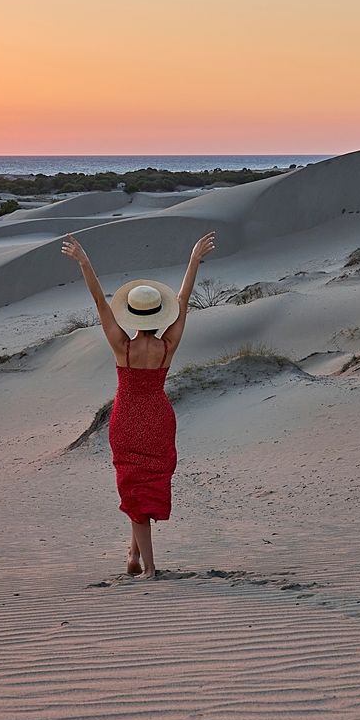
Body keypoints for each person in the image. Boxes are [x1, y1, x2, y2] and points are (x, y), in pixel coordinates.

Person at [59, 232, 217, 577]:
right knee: (144, 487)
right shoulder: (168, 345)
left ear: (130, 314)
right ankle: (133, 557)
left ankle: (149, 568)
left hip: (127, 419)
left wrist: (84, 262)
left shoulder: (121, 345)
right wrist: (193, 260)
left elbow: (100, 302)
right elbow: (184, 298)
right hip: (159, 418)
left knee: (134, 487)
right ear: (159, 313)